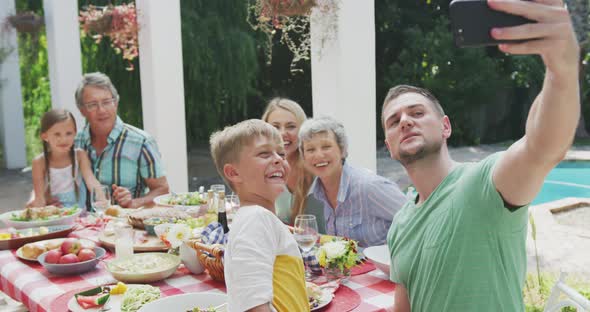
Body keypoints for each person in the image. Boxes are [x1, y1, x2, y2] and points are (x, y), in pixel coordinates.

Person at [382, 1, 580, 311]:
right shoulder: (401, 222)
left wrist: (562, 71)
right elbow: (405, 304)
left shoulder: (483, 184)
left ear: (445, 126)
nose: (405, 121)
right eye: (394, 121)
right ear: (389, 145)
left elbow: (542, 147)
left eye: (417, 112)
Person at [210, 119, 308, 311]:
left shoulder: (258, 218)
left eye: (281, 153)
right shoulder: (256, 219)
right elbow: (254, 305)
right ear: (234, 172)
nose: (279, 159)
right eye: (264, 154)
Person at [298, 117, 406, 247]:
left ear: (342, 150)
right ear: (303, 156)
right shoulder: (316, 194)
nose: (319, 155)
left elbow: (417, 222)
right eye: (310, 149)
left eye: (326, 146)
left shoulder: (369, 186)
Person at [74, 72, 169, 209]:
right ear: (82, 110)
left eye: (107, 102)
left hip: (125, 227)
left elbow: (162, 191)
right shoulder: (75, 143)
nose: (101, 110)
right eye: (92, 105)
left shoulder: (141, 142)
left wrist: (133, 203)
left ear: (116, 103)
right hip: (83, 227)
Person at [262, 97, 325, 233]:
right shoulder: (260, 170)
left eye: (291, 126)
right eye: (275, 127)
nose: (282, 133)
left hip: (323, 249)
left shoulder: (318, 167)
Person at [27, 109, 102, 209]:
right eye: (57, 134)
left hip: (79, 216)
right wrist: (36, 206)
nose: (63, 139)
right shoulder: (39, 162)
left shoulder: (80, 156)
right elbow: (39, 198)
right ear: (45, 136)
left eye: (68, 133)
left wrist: (102, 198)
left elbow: (91, 182)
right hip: (53, 216)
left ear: (75, 133)